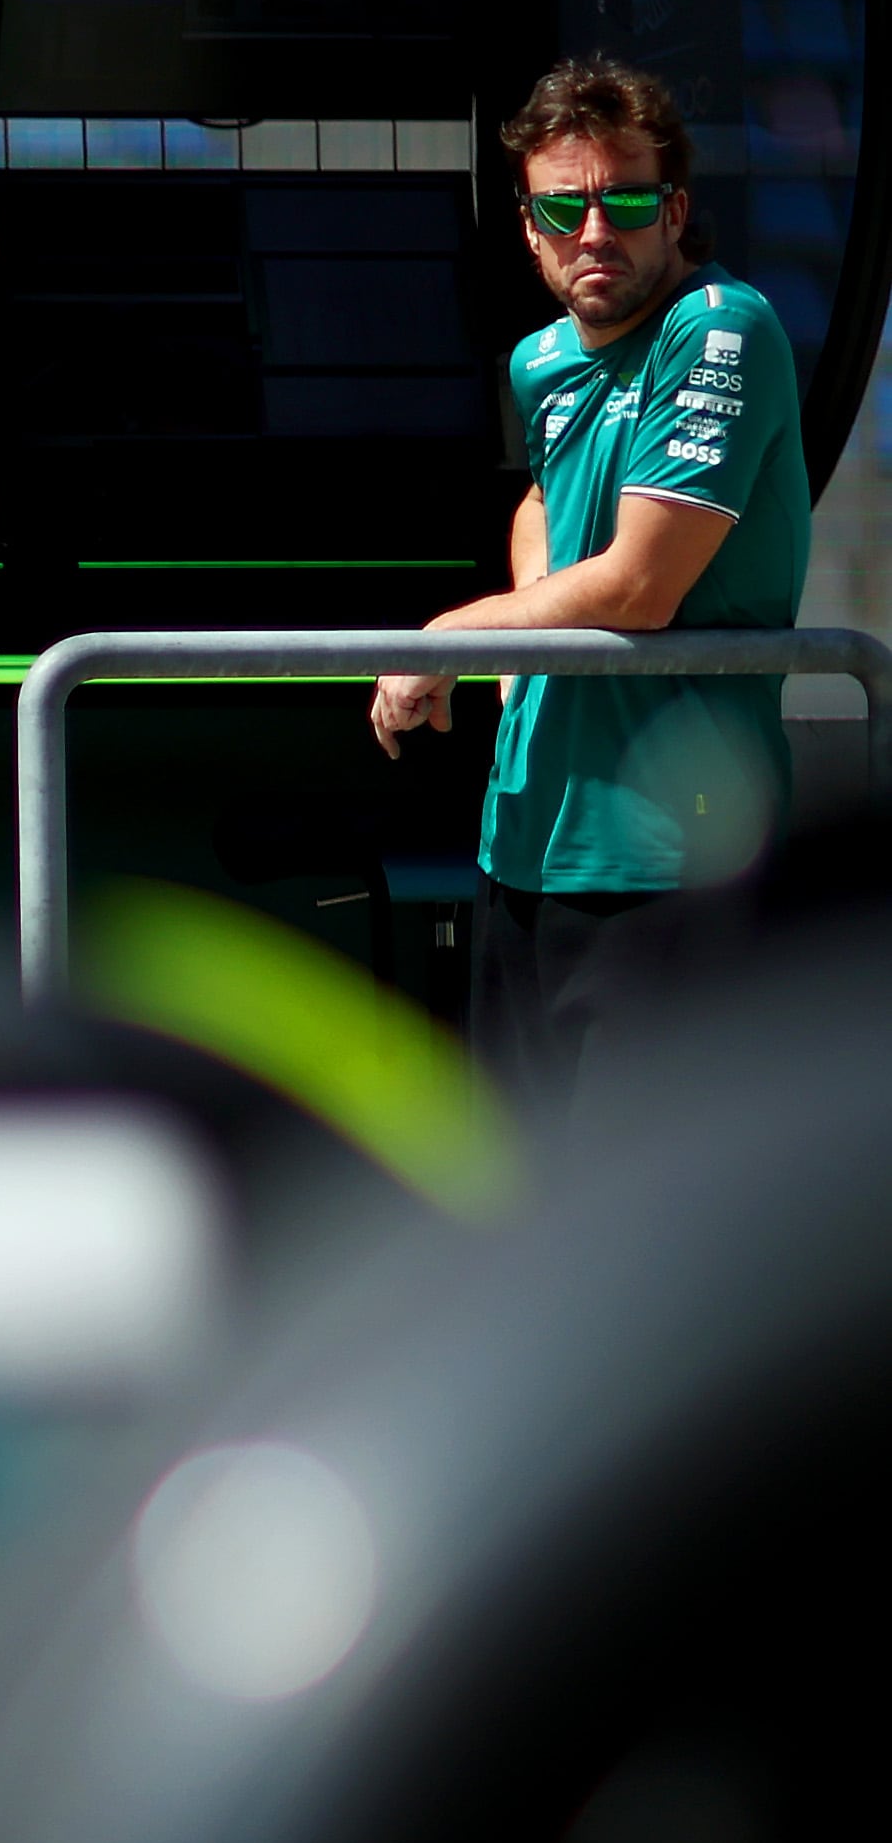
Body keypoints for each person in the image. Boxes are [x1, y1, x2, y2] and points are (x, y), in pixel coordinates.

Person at [370, 56, 807, 1108]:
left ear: (675, 208)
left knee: (661, 1224)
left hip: (672, 853)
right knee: (526, 1196)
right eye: (563, 204)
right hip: (525, 843)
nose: (594, 231)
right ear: (527, 225)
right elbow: (543, 505)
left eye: (625, 199)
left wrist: (453, 636)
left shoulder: (718, 328)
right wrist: (525, 645)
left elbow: (638, 589)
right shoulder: (541, 359)